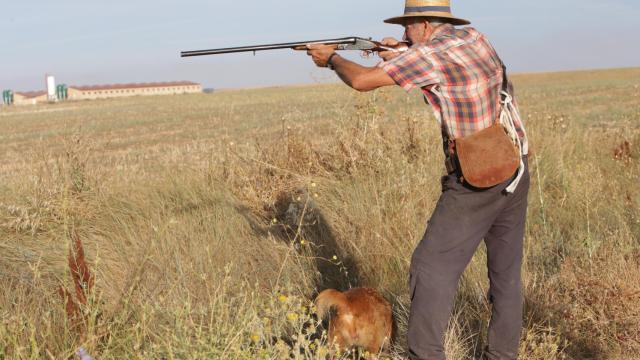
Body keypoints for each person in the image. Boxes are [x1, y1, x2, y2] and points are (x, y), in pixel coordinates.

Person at [305, 1, 530, 359]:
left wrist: (331, 58)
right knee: (505, 277)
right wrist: (397, 50)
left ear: (424, 24)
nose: (403, 33)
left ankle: (424, 354)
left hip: (475, 179)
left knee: (429, 269)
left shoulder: (430, 56)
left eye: (407, 27)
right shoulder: (472, 37)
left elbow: (362, 80)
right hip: (513, 164)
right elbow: (433, 57)